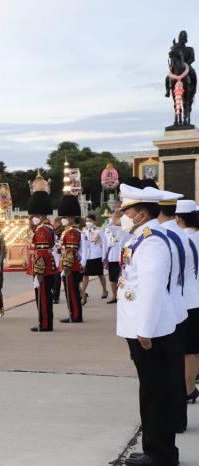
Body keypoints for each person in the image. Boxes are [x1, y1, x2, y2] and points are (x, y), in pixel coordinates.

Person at [117, 184, 179, 466]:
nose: (122, 214)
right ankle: (155, 448)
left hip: (150, 331)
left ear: (141, 214)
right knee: (151, 390)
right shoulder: (141, 237)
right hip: (144, 328)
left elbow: (153, 288)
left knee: (155, 393)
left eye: (126, 210)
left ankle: (160, 454)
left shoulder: (152, 241)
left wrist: (144, 329)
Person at [155, 189, 195, 434]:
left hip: (174, 305)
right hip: (185, 304)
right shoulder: (183, 235)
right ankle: (179, 416)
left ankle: (174, 418)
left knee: (170, 367)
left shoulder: (165, 236)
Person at [175, 199, 199, 403]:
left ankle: (188, 388)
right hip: (195, 298)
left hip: (187, 299)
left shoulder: (179, 239)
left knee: (188, 350)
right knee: (194, 348)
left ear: (178, 218)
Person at [27, 174, 58, 332]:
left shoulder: (42, 230)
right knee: (44, 296)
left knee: (43, 297)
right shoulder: (48, 227)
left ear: (40, 215)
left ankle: (44, 324)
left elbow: (42, 253)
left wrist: (38, 272)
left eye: (34, 216)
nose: (32, 218)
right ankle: (44, 322)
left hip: (43, 269)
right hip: (47, 267)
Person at [57, 195, 84, 324]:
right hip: (70, 265)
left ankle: (76, 315)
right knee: (70, 292)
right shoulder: (68, 231)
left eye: (65, 217)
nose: (63, 219)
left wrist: (66, 266)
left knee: (72, 292)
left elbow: (71, 251)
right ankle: (73, 314)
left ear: (70, 217)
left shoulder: (72, 232)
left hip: (71, 267)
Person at [104, 207, 130, 304]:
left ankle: (121, 296)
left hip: (125, 254)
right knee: (116, 277)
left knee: (125, 276)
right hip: (116, 256)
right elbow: (109, 230)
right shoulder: (112, 227)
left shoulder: (130, 229)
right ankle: (117, 296)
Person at [81, 214, 108, 304]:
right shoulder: (84, 231)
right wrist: (82, 258)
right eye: (86, 221)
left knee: (100, 274)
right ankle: (82, 293)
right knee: (85, 276)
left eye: (90, 220)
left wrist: (104, 256)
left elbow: (104, 243)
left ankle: (104, 290)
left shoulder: (99, 230)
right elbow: (83, 245)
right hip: (87, 256)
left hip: (97, 255)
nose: (88, 222)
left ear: (94, 221)